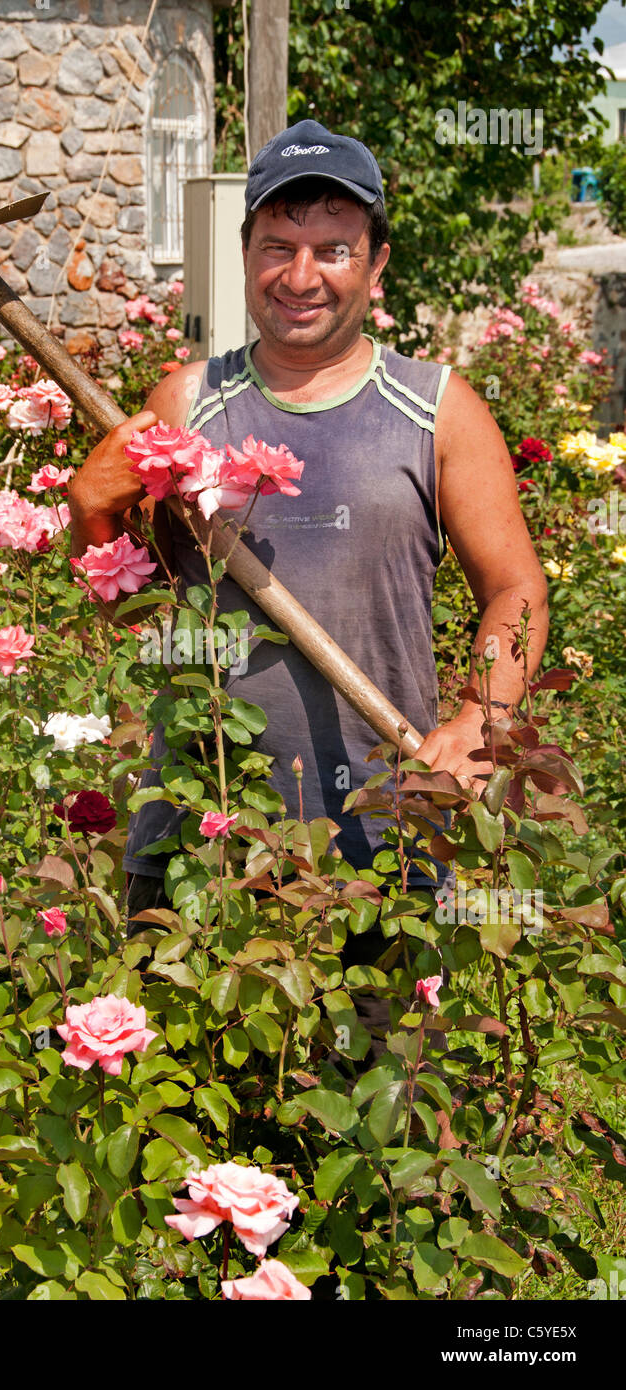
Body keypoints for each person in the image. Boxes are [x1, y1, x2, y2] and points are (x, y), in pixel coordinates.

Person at [68, 119, 549, 938]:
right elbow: (126, 616)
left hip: (386, 834)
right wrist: (92, 512)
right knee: (195, 1068)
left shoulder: (437, 409)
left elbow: (515, 587)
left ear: (376, 264)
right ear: (246, 252)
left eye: (332, 248)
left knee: (384, 1064)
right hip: (202, 832)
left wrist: (479, 720)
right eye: (275, 244)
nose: (300, 275)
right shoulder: (184, 406)